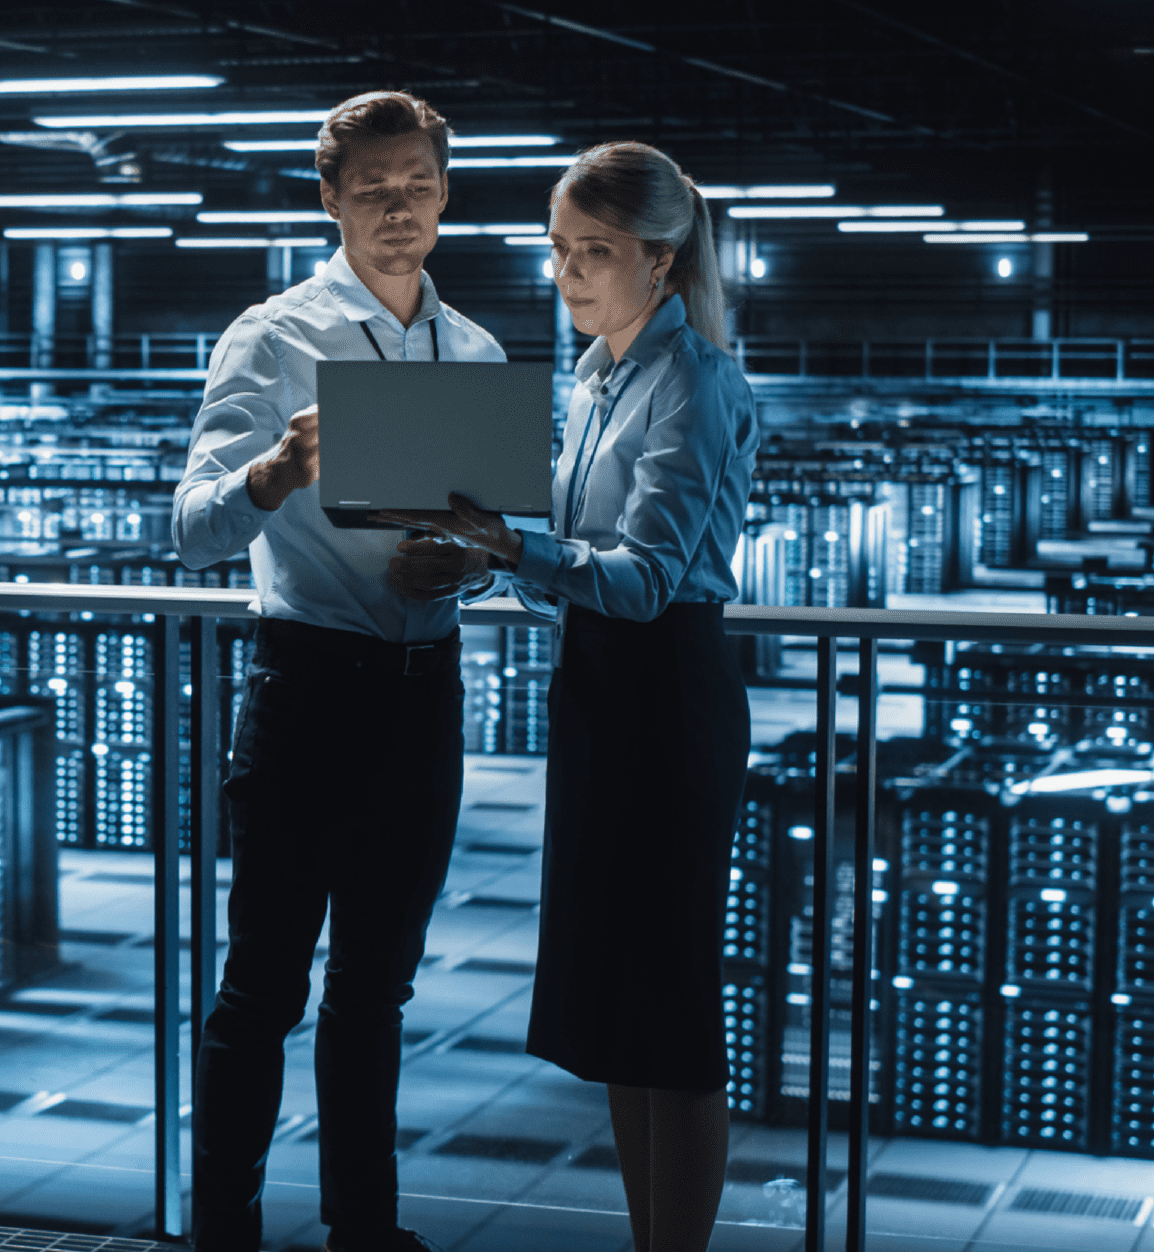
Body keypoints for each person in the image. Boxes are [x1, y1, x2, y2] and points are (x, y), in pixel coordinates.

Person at [376, 141, 758, 1252]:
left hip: (667, 697)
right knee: (622, 1011)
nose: (567, 273)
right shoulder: (598, 378)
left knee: (672, 1010)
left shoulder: (693, 380)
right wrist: (485, 551)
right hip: (601, 692)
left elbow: (642, 579)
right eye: (556, 249)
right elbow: (572, 565)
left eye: (594, 251)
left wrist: (515, 546)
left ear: (663, 257)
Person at [172, 90, 507, 1252]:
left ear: (445, 190)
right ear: (329, 198)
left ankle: (366, 1232)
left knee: (377, 992)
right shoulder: (272, 336)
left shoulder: (475, 351)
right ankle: (226, 1231)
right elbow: (191, 528)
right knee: (264, 986)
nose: (396, 205)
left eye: (415, 181)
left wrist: (461, 566)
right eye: (370, 186)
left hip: (426, 698)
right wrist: (269, 474)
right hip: (307, 687)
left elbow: (493, 542)